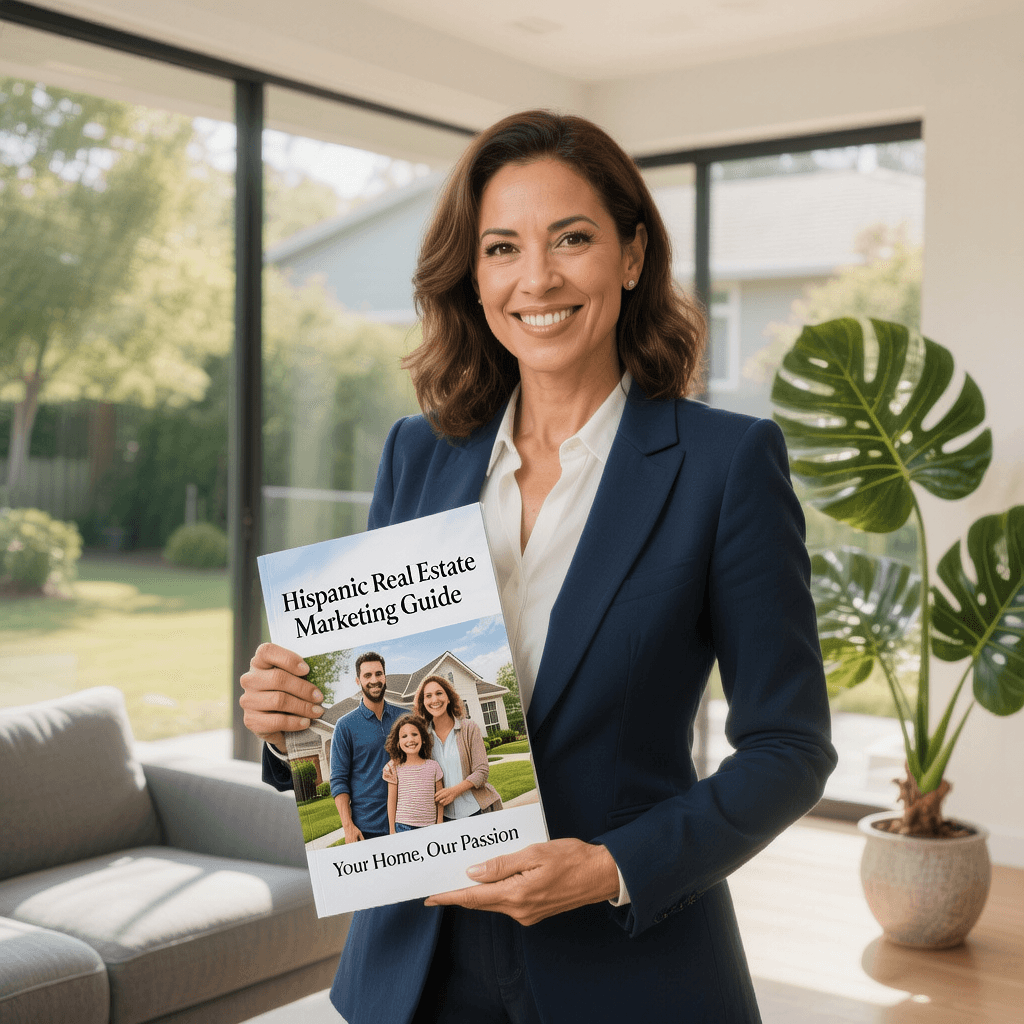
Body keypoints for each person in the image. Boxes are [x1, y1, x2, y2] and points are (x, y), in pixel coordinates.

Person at [241, 109, 837, 1024]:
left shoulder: (726, 465)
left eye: (572, 238)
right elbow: (360, 707)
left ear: (632, 257)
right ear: (473, 276)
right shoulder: (417, 454)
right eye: (502, 247)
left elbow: (790, 748)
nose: (538, 278)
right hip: (415, 962)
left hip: (625, 966)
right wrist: (291, 724)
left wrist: (612, 868)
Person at [329, 652, 403, 843]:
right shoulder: (344, 726)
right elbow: (338, 780)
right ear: (358, 680)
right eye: (367, 675)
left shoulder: (405, 718)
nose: (374, 680)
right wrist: (348, 827)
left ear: (385, 677)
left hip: (408, 821)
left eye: (379, 674)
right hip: (368, 829)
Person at [413, 674, 502, 819]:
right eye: (428, 696)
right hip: (443, 817)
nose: (434, 699)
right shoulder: (422, 737)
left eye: (439, 693)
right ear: (423, 702)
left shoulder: (469, 728)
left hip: (476, 810)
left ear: (448, 698)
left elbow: (482, 771)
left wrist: (454, 791)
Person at [383, 714, 445, 832]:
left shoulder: (433, 766)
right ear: (398, 742)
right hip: (403, 826)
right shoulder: (394, 768)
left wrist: (440, 822)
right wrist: (392, 830)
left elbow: (440, 799)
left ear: (423, 739)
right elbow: (391, 800)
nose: (410, 739)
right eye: (404, 736)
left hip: (429, 826)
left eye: (415, 734)